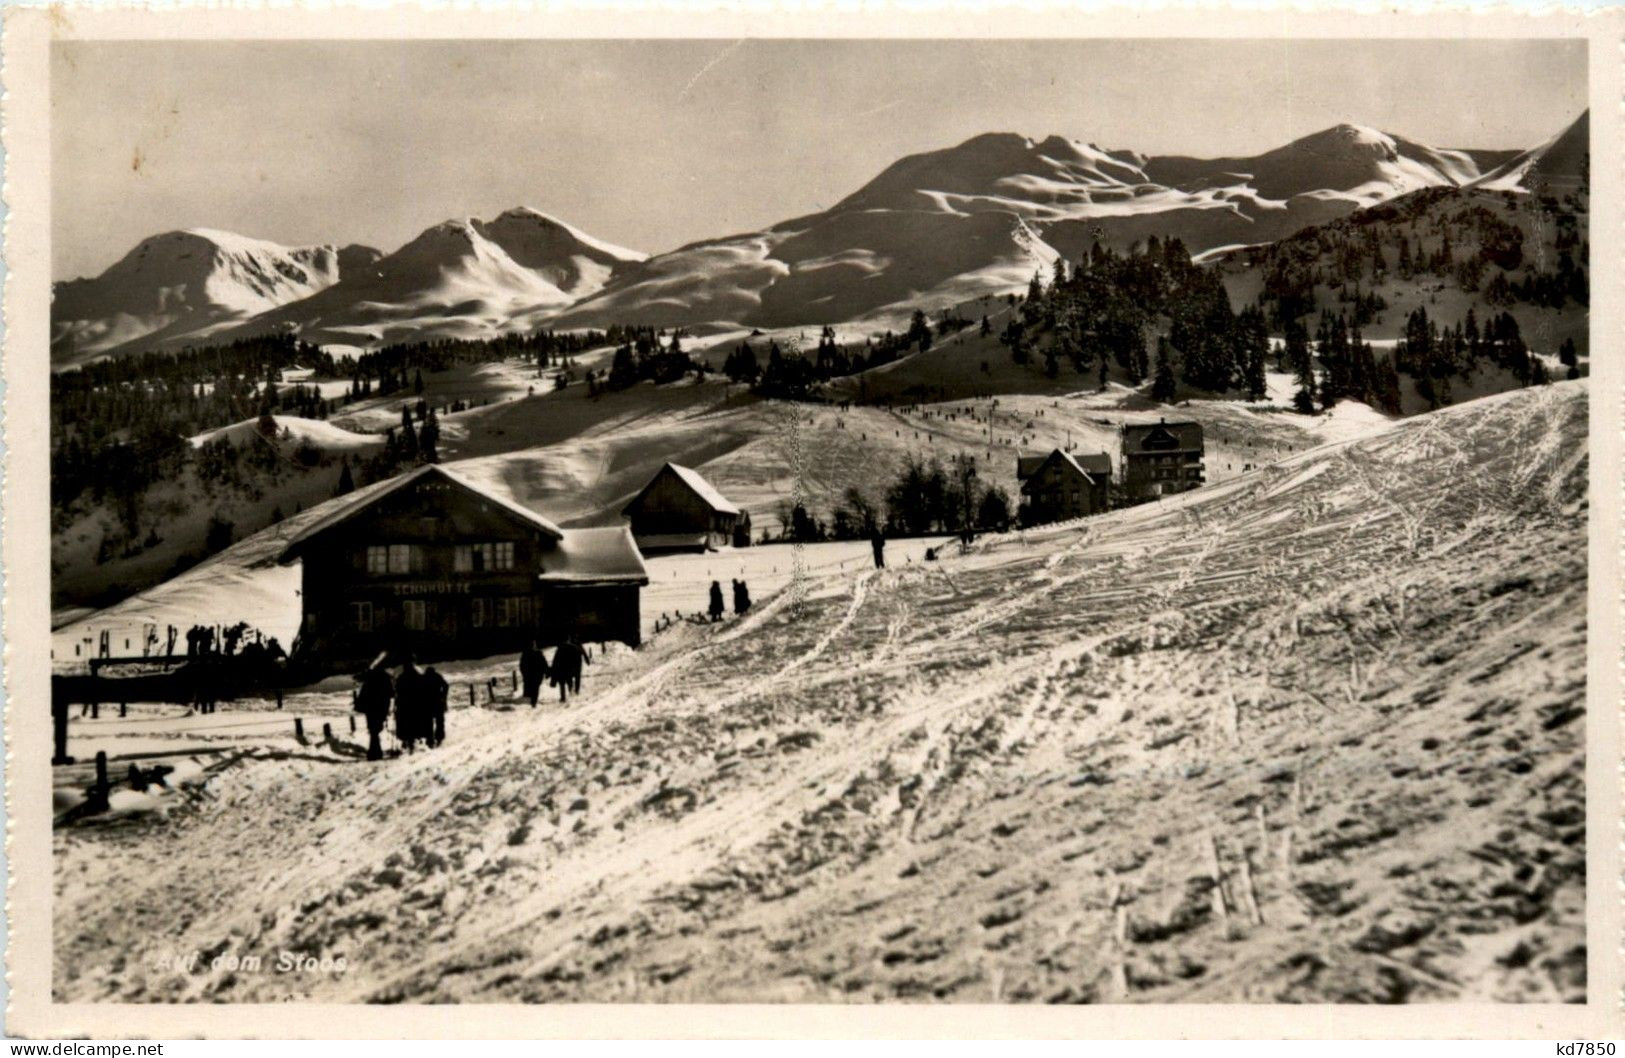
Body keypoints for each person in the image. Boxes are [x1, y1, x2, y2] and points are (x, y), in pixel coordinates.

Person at [356, 660, 394, 762]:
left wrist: (360, 705)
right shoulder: (385, 678)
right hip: (381, 707)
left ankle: (374, 751)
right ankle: (375, 751)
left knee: (373, 729)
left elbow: (363, 693)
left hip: (370, 707)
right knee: (376, 729)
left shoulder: (369, 678)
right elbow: (391, 693)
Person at [394, 656, 426, 755]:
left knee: (404, 723)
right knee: (415, 722)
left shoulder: (401, 677)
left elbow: (396, 691)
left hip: (404, 704)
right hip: (415, 704)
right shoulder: (418, 675)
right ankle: (413, 741)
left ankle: (406, 741)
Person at [423, 665, 449, 748]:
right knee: (439, 721)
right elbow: (446, 685)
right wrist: (443, 696)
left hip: (427, 703)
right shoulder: (437, 676)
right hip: (437, 701)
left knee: (428, 722)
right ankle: (439, 737)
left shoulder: (424, 678)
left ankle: (429, 739)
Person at [519, 641, 549, 708]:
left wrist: (524, 673)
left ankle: (532, 701)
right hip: (537, 675)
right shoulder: (539, 653)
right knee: (535, 688)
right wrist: (546, 672)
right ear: (534, 646)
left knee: (531, 687)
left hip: (529, 675)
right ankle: (533, 702)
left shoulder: (525, 654)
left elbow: (521, 666)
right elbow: (544, 664)